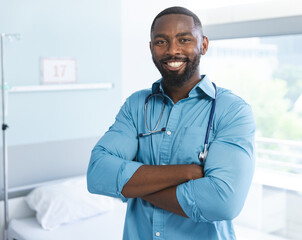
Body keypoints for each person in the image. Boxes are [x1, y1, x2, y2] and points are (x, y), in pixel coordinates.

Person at [87, 6, 255, 240]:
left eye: (184, 40)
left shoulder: (232, 110)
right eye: (161, 42)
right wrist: (186, 172)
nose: (172, 50)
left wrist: (135, 185)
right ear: (151, 48)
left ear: (203, 45)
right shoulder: (136, 105)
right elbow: (97, 174)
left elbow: (223, 203)